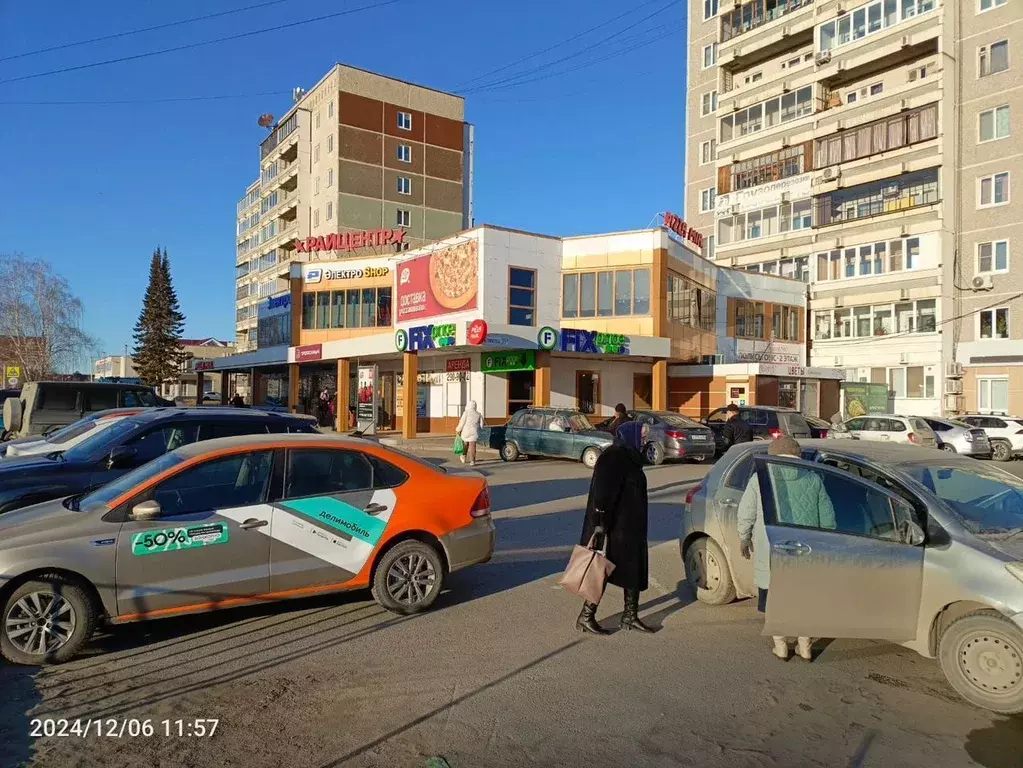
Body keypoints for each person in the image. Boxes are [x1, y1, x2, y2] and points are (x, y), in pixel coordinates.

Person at [737, 436, 837, 660]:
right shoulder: (813, 478)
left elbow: (746, 513)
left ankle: (781, 646)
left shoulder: (760, 479)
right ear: (798, 456)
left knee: (775, 600)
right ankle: (805, 645)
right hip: (805, 551)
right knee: (803, 600)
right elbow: (828, 520)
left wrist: (744, 538)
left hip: (772, 550)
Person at [576, 421, 654, 635]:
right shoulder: (614, 456)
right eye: (642, 436)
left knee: (634, 568)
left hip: (631, 527)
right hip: (613, 527)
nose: (645, 440)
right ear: (631, 435)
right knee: (600, 568)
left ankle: (630, 615)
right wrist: (600, 524)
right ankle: (586, 616)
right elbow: (602, 493)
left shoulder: (631, 456)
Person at [456, 400, 484, 466]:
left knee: (465, 445)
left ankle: (463, 456)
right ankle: (472, 461)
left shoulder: (466, 413)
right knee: (472, 446)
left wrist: (458, 430)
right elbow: (482, 425)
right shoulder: (478, 414)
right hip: (474, 432)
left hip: (466, 432)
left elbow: (462, 422)